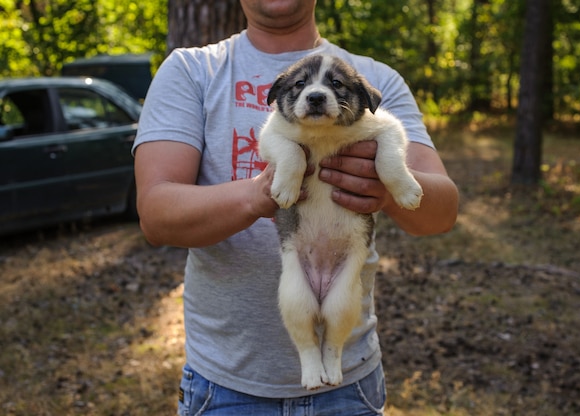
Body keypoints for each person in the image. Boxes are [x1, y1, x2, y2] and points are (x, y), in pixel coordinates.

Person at [133, 1, 458, 414]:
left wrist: (387, 185)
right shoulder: (191, 70)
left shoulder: (374, 79)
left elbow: (442, 212)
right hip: (225, 385)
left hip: (349, 386)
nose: (318, 92)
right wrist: (256, 195)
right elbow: (156, 216)